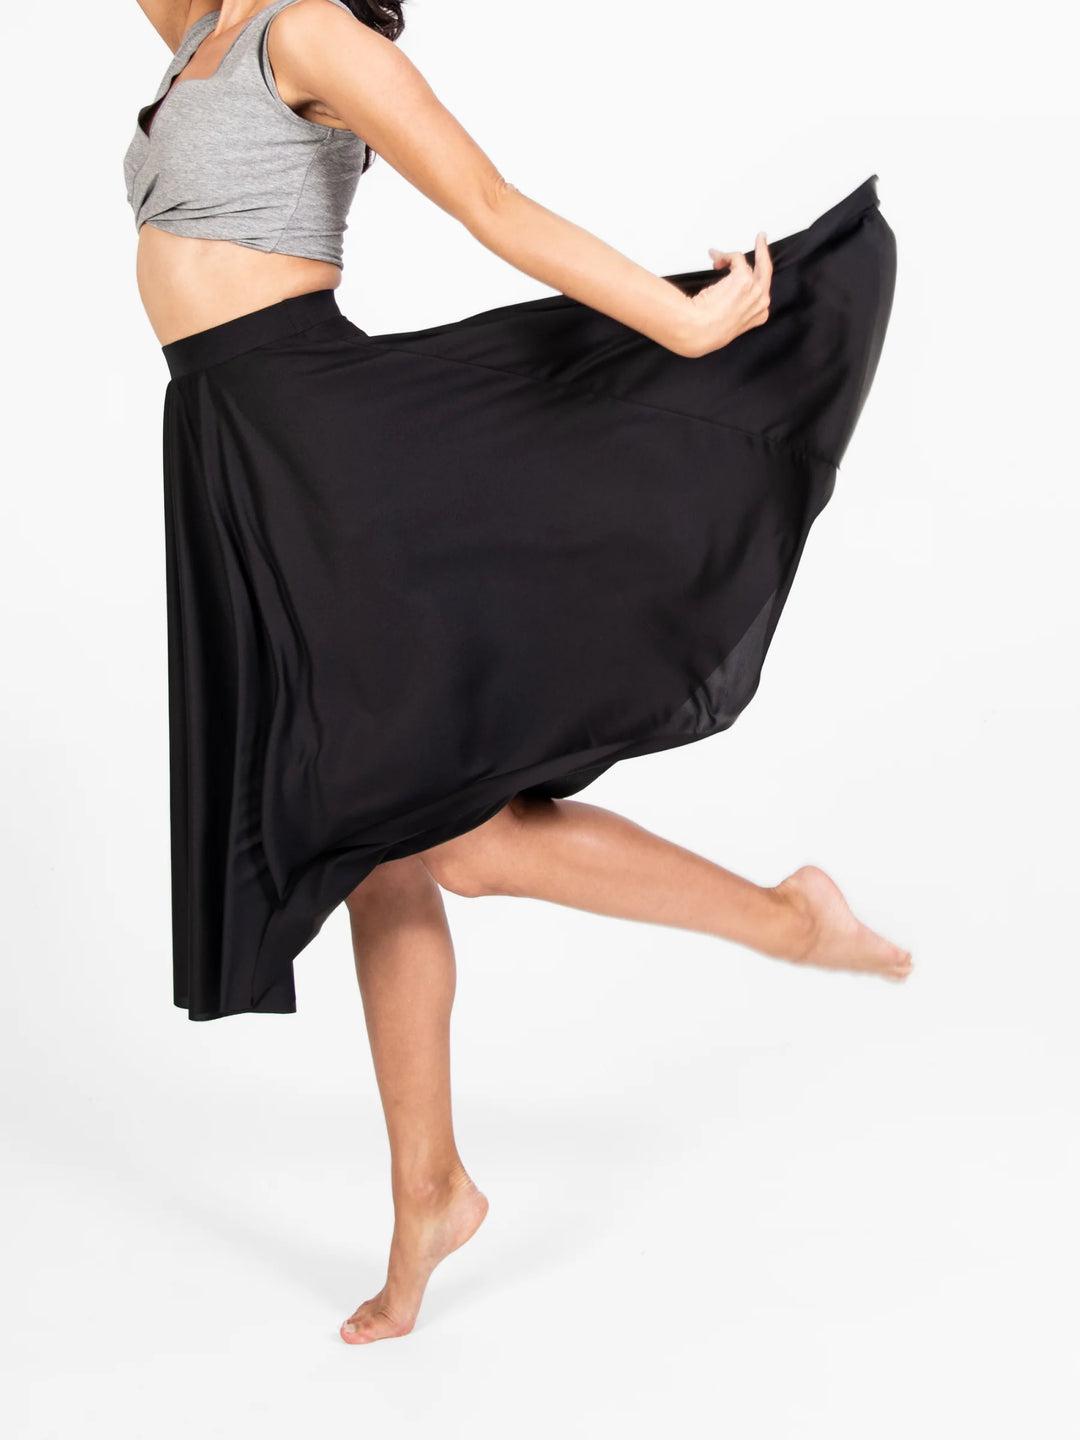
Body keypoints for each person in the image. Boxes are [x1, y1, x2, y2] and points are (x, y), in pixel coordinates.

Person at [126, 0, 911, 1345]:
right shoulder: (196, 30)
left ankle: (788, 919)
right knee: (370, 841)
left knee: (463, 841)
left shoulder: (304, 34)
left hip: (330, 456)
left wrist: (680, 326)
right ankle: (428, 1188)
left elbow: (485, 200)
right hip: (238, 461)